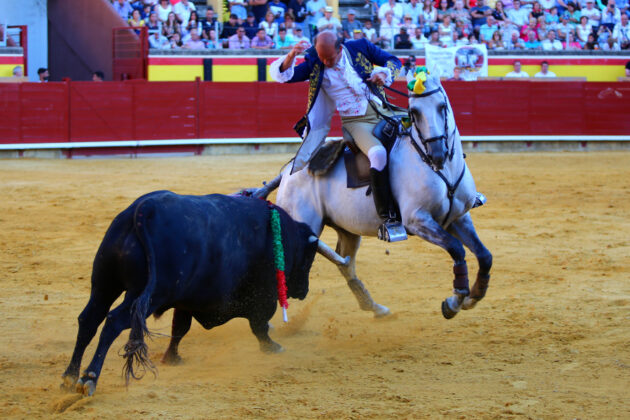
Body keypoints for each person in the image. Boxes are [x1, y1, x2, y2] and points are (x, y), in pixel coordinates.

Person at [270, 32, 404, 237]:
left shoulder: (360, 47)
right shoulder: (315, 63)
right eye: (322, 57)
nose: (326, 62)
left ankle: (462, 191)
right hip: (356, 122)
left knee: (427, 126)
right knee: (377, 154)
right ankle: (388, 217)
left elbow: (393, 60)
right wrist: (290, 56)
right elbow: (285, 76)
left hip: (383, 109)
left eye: (330, 59)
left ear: (340, 49)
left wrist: (384, 74)